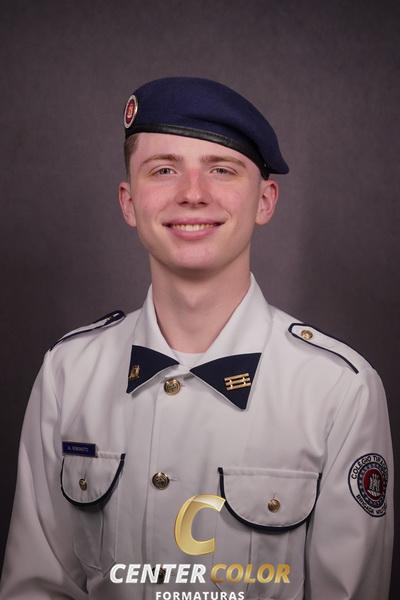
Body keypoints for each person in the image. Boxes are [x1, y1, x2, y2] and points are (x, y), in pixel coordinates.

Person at [0, 77, 393, 600]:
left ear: (265, 201)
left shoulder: (339, 391)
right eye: (163, 169)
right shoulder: (68, 374)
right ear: (129, 202)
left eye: (221, 169)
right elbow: (36, 587)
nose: (192, 193)